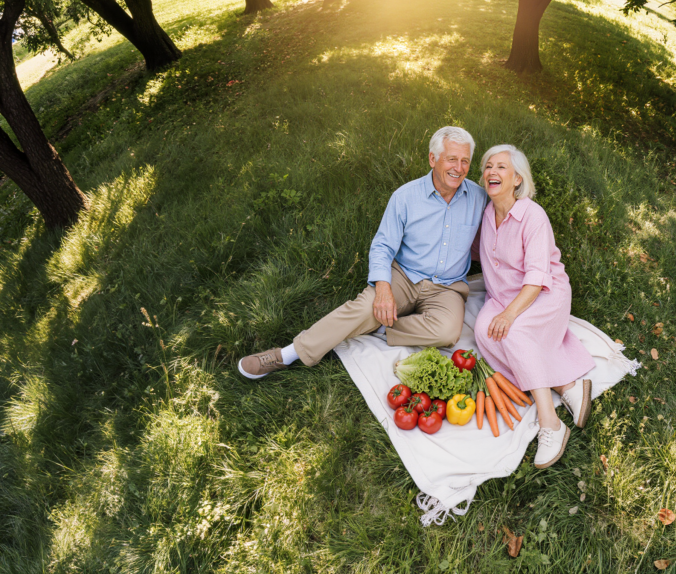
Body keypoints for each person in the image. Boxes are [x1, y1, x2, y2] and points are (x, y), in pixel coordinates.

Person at [238, 126, 488, 378]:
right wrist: (382, 289)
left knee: (446, 333)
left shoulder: (478, 197)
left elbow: (505, 220)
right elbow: (382, 245)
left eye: (465, 161)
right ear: (433, 159)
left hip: (447, 286)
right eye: (451, 159)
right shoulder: (405, 197)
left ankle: (377, 328)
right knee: (365, 308)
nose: (459, 168)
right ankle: (288, 354)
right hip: (405, 275)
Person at [473, 145, 594, 469]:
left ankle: (550, 422)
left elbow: (537, 277)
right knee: (484, 333)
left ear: (517, 179)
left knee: (511, 334)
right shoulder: (487, 214)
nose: (492, 172)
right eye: (488, 166)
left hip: (543, 294)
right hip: (502, 295)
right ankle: (564, 384)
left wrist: (510, 314)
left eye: (501, 167)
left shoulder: (532, 215)